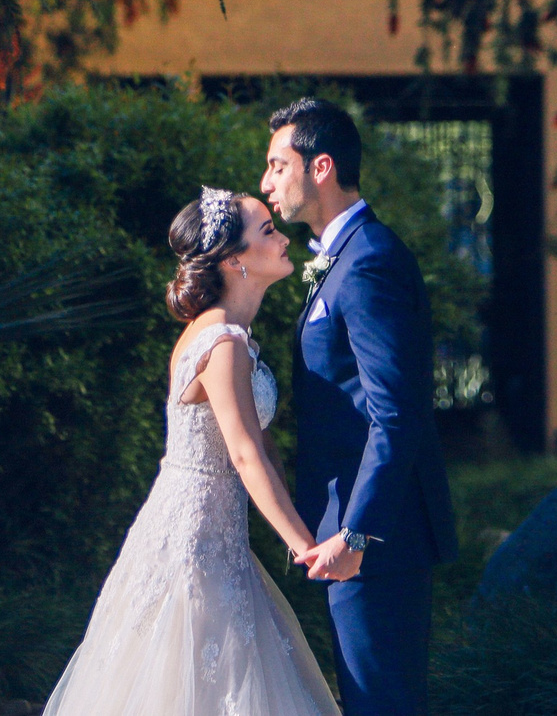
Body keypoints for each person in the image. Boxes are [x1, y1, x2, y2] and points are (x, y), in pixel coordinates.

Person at [38, 186, 340, 716]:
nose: (281, 238)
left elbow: (262, 446)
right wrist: (305, 546)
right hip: (195, 543)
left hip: (215, 536)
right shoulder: (222, 341)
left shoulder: (230, 335)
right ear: (233, 260)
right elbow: (245, 454)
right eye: (267, 230)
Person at [261, 96, 459, 716]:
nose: (266, 183)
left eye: (276, 165)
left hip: (378, 536)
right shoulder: (342, 258)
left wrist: (357, 532)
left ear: (320, 167)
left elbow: (395, 412)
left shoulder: (368, 261)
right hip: (351, 533)